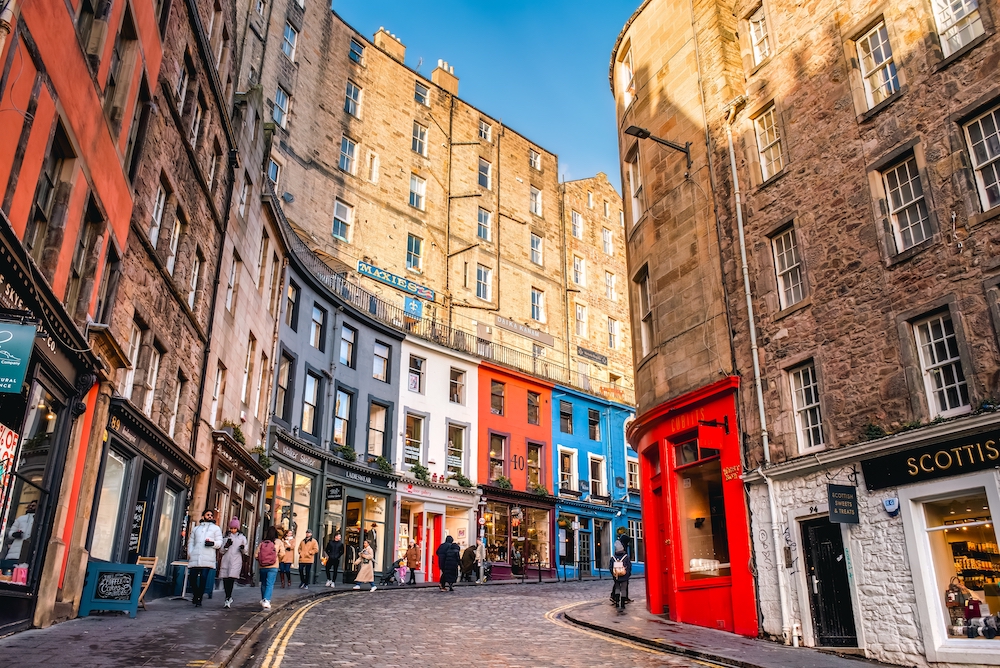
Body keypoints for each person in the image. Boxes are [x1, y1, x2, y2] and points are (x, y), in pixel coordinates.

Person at [187, 509, 223, 607]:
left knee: (203, 578)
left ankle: (199, 598)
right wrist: (190, 552)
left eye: (211, 515)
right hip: (196, 556)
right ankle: (196, 594)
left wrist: (212, 543)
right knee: (192, 577)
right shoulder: (196, 529)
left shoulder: (216, 528)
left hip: (207, 557)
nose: (210, 516)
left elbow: (219, 542)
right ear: (203, 516)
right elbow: (191, 542)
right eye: (208, 515)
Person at [219, 517, 248, 608]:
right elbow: (221, 551)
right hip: (226, 560)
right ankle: (228, 596)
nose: (233, 530)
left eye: (235, 528)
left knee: (231, 579)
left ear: (238, 528)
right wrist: (226, 545)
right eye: (231, 528)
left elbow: (246, 550)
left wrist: (242, 549)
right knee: (225, 580)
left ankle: (228, 598)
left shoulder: (242, 538)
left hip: (236, 560)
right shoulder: (226, 537)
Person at [254, 525, 284, 609]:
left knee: (263, 583)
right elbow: (282, 554)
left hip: (262, 566)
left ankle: (263, 599)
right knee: (269, 583)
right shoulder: (278, 542)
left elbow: (256, 555)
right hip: (273, 566)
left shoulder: (262, 542)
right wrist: (277, 559)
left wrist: (261, 560)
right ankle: (267, 600)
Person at [3, 499, 36, 563]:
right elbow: (10, 533)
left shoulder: (40, 520)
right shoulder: (21, 518)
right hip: (15, 552)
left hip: (29, 553)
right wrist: (15, 534)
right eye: (30, 505)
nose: (31, 507)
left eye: (34, 505)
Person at [610, 542, 632, 613]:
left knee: (617, 588)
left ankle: (617, 603)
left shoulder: (613, 558)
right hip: (624, 576)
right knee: (623, 589)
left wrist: (614, 575)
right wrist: (627, 574)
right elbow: (629, 567)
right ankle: (622, 604)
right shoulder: (626, 557)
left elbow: (610, 567)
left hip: (616, 576)